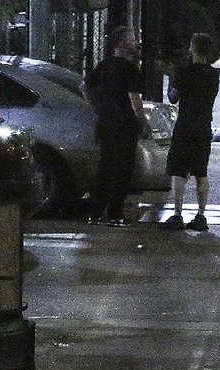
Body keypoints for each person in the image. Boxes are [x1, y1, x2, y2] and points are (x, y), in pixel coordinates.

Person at [81, 25, 151, 226]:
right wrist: (143, 122)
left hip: (106, 123)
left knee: (105, 166)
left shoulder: (104, 65)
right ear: (121, 43)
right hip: (125, 125)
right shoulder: (130, 69)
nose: (136, 42)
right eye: (131, 39)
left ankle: (95, 213)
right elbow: (134, 98)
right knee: (123, 169)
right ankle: (115, 214)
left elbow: (84, 85)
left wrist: (96, 106)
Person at [162, 33, 220, 231]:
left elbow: (172, 98)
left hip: (185, 126)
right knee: (201, 172)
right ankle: (201, 215)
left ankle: (177, 214)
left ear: (193, 48)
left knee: (178, 171)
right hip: (204, 127)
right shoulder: (213, 75)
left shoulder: (184, 73)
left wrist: (172, 77)